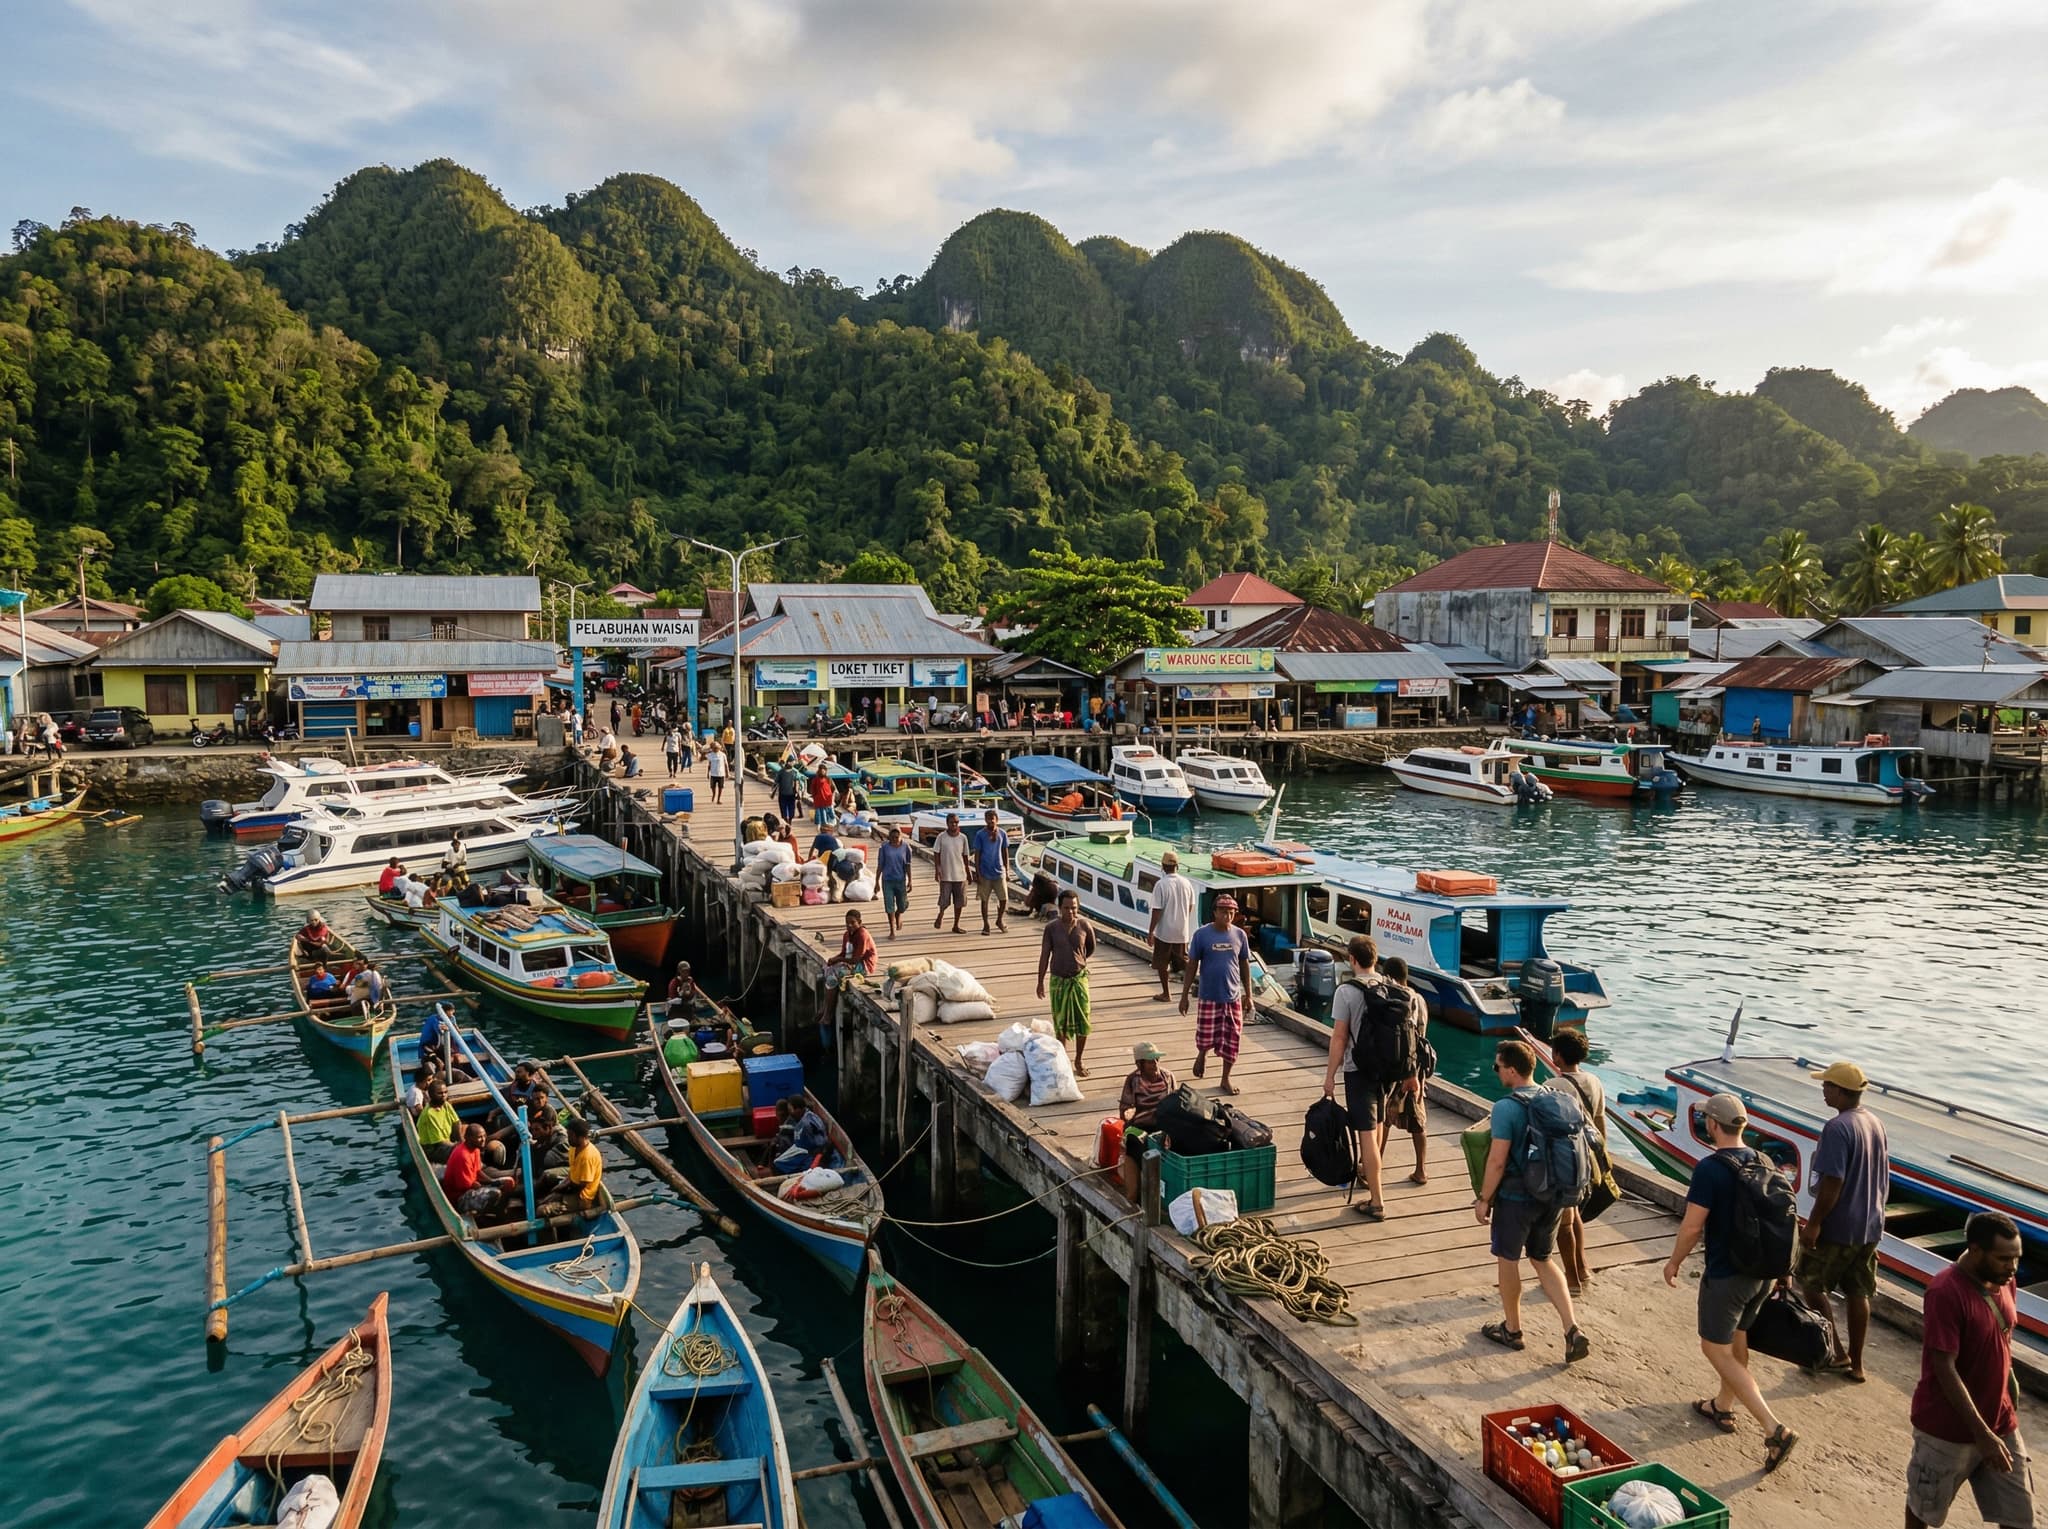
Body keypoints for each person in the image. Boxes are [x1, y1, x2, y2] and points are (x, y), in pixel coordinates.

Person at [1662, 1090, 1797, 1472]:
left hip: (1728, 1273)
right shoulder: (1764, 1160)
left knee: (1714, 1348)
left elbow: (1691, 1227)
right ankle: (1723, 1406)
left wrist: (1674, 1262)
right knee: (1738, 1337)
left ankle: (1775, 1429)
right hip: (1763, 1275)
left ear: (1712, 1125)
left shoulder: (1711, 1169)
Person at [1906, 1211, 2033, 1529]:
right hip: (1947, 1432)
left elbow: (2002, 1338)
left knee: (2020, 1517)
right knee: (1924, 1510)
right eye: (2004, 1259)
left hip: (2001, 1423)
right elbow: (1944, 1367)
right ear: (1975, 1250)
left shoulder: (2006, 1282)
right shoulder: (1946, 1292)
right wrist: (1982, 1435)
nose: (2012, 1268)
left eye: (2016, 1258)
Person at [1476, 1039, 1591, 1363]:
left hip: (1516, 1197)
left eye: (1497, 1067)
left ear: (1511, 1070)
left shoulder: (1507, 1107)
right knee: (1542, 1258)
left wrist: (1484, 1199)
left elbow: (1497, 1161)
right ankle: (1571, 1329)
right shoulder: (1555, 1098)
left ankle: (1512, 1329)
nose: (1496, 1072)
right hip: (1552, 1195)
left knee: (1507, 1259)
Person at [1796, 1059, 1890, 1383]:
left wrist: (1814, 1224)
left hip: (1840, 1225)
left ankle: (1835, 1351)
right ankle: (1858, 1363)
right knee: (1857, 1291)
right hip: (1870, 1224)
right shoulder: (1874, 1122)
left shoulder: (1837, 1128)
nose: (1823, 1090)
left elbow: (1831, 1184)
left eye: (1826, 1085)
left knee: (1810, 1283)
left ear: (1839, 1090)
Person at [1320, 935, 1391, 1218]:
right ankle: (1370, 1175)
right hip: (1386, 1070)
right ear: (1374, 958)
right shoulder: (1389, 985)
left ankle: (1377, 1201)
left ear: (1352, 959)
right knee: (1379, 1126)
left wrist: (1329, 1076)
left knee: (1366, 1133)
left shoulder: (1346, 991)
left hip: (1358, 1069)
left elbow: (1339, 1038)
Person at [1544, 1027, 1602, 1293]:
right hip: (1589, 1155)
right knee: (1575, 1212)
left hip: (1567, 1157)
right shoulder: (1594, 1080)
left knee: (1565, 1219)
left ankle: (1572, 1280)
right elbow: (1600, 1119)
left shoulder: (1553, 1086)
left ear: (1557, 1055)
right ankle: (1583, 1267)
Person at [1182, 895, 1253, 1095]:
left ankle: (1225, 1078)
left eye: (1231, 912)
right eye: (1223, 911)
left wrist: (1249, 995)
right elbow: (1192, 964)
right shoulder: (1201, 935)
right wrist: (1185, 994)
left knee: (1233, 1038)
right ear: (1214, 913)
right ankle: (1202, 1055)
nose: (1227, 915)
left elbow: (1244, 964)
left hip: (1232, 996)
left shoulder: (1239, 936)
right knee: (1205, 1034)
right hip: (1209, 995)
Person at [1036, 889, 1097, 1075]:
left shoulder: (1085, 926)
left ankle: (1078, 1060)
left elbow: (1090, 948)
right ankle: (1063, 1061)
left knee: (1083, 1020)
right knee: (1060, 1023)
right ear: (1059, 907)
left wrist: (1079, 961)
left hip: (1078, 980)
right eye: (1066, 908)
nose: (1070, 912)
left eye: (1074, 908)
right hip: (1059, 981)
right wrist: (1040, 981)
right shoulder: (1052, 929)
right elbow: (1045, 955)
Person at [817, 909, 877, 1041]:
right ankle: (825, 1006)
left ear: (859, 922)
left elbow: (856, 959)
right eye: (847, 923)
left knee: (833, 979)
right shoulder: (847, 934)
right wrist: (834, 959)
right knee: (827, 969)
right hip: (849, 963)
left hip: (863, 965)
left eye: (853, 923)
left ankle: (827, 1015)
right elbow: (844, 953)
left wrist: (839, 961)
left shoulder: (862, 935)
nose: (850, 925)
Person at [1146, 849, 1196, 1002]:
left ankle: (1166, 993)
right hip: (1182, 932)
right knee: (1184, 962)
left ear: (1162, 866)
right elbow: (1190, 906)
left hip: (1165, 932)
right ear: (1177, 866)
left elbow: (1157, 910)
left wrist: (1151, 931)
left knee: (1162, 963)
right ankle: (1198, 985)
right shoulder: (1186, 883)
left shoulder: (1161, 885)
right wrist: (1182, 919)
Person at [443, 1123, 517, 1220]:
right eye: (479, 1137)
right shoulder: (462, 1155)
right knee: (495, 1193)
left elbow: (478, 1172)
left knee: (508, 1182)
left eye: (484, 1136)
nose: (483, 1139)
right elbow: (469, 1185)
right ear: (468, 1138)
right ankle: (481, 1216)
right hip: (459, 1197)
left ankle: (499, 1212)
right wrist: (492, 1185)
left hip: (472, 1187)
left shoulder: (475, 1149)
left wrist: (493, 1181)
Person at [537, 1116, 606, 1220]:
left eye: (570, 1136)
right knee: (544, 1199)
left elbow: (581, 1186)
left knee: (541, 1210)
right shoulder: (574, 1148)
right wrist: (559, 1188)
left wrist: (562, 1192)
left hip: (582, 1198)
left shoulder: (588, 1157)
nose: (568, 1138)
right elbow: (571, 1173)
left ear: (580, 1137)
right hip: (572, 1187)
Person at [771, 1095, 842, 1176]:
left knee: (778, 1163)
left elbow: (819, 1143)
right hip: (803, 1148)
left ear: (798, 1110)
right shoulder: (808, 1117)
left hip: (808, 1152)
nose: (790, 1113)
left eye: (791, 1110)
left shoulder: (806, 1124)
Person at [1119, 1041, 1177, 1129]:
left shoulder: (1167, 1076)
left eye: (1157, 1059)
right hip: (1141, 1125)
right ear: (1139, 1064)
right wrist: (1128, 1112)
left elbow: (1175, 1100)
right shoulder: (1133, 1080)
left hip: (1165, 1122)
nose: (1155, 1064)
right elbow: (1125, 1108)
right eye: (1150, 1062)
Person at [970, 809, 1010, 935]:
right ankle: (986, 924)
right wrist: (977, 872)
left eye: (992, 818)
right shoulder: (980, 834)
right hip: (985, 872)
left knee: (1004, 899)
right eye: (988, 818)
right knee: (984, 900)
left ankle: (999, 920)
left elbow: (1005, 852)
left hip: (999, 872)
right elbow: (977, 854)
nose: (990, 821)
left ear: (996, 820)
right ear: (985, 820)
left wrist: (1007, 870)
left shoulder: (1002, 833)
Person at [872, 824, 913, 938]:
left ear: (900, 836)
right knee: (889, 905)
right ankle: (892, 930)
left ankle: (898, 914)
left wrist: (910, 880)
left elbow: (908, 865)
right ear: (889, 836)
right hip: (887, 880)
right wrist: (876, 881)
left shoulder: (906, 847)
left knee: (902, 905)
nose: (895, 839)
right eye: (893, 836)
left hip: (900, 879)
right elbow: (880, 865)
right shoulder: (884, 847)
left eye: (897, 836)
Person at [932, 813, 969, 933]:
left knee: (959, 901)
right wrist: (937, 869)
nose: (954, 824)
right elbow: (936, 853)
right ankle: (941, 914)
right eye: (952, 822)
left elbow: (965, 856)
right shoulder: (941, 837)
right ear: (947, 823)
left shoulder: (963, 838)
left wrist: (968, 873)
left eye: (956, 822)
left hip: (960, 874)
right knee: (944, 900)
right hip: (946, 874)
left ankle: (956, 924)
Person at [415, 1080, 463, 1164]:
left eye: (445, 1092)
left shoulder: (446, 1105)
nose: (444, 1095)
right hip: (433, 1149)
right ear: (432, 1095)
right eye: (440, 1093)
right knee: (462, 1152)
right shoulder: (429, 1114)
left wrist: (460, 1140)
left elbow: (456, 1123)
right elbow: (440, 1141)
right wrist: (459, 1146)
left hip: (447, 1142)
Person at [777, 758, 800, 824]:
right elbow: (776, 781)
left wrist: (797, 792)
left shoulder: (794, 772)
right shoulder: (782, 772)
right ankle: (787, 820)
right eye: (790, 762)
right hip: (784, 793)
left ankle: (788, 820)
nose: (791, 763)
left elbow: (797, 782)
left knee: (790, 808)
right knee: (786, 808)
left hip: (790, 794)